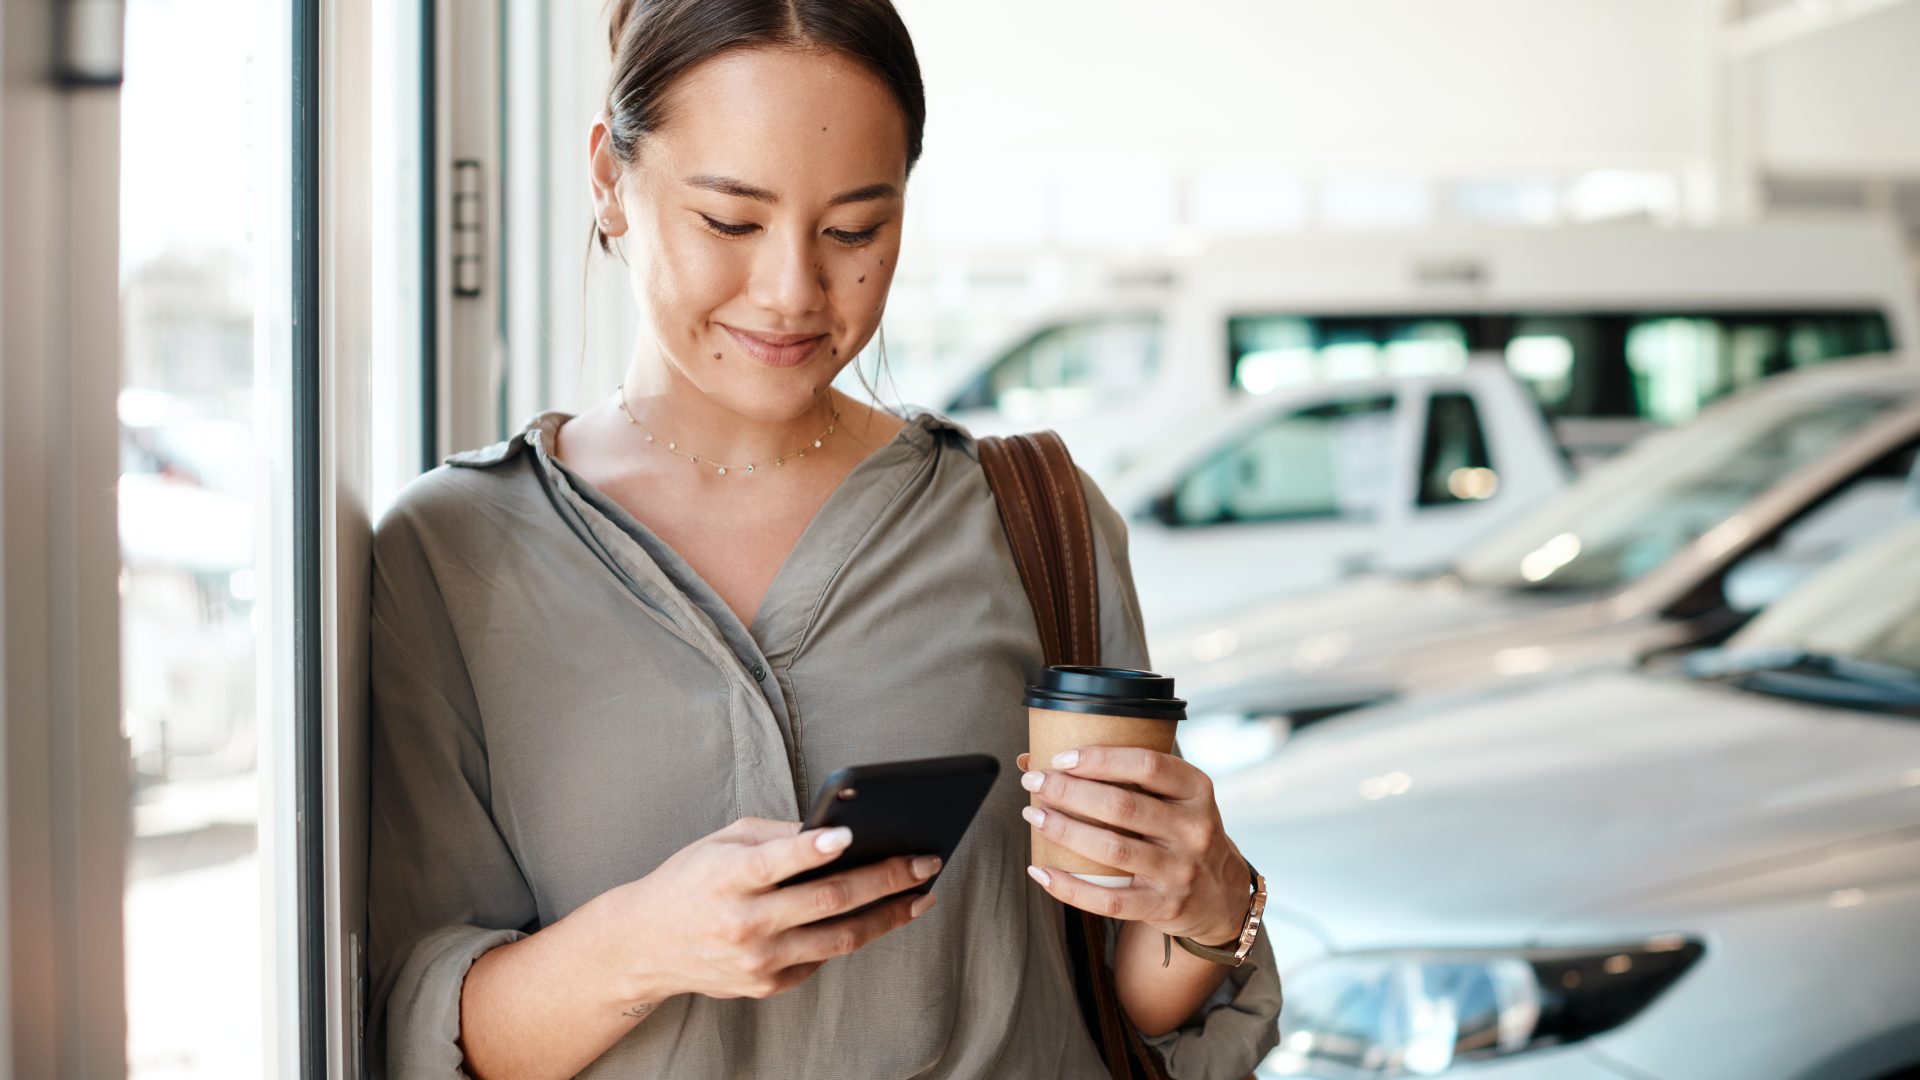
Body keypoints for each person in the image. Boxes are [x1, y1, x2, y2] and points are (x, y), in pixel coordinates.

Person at [365, 1, 1283, 1076]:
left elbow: (1137, 1005)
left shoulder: (1038, 521)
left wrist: (1212, 896)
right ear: (610, 182)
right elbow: (423, 1023)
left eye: (855, 228)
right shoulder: (451, 553)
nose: (794, 292)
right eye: (730, 221)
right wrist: (645, 945)